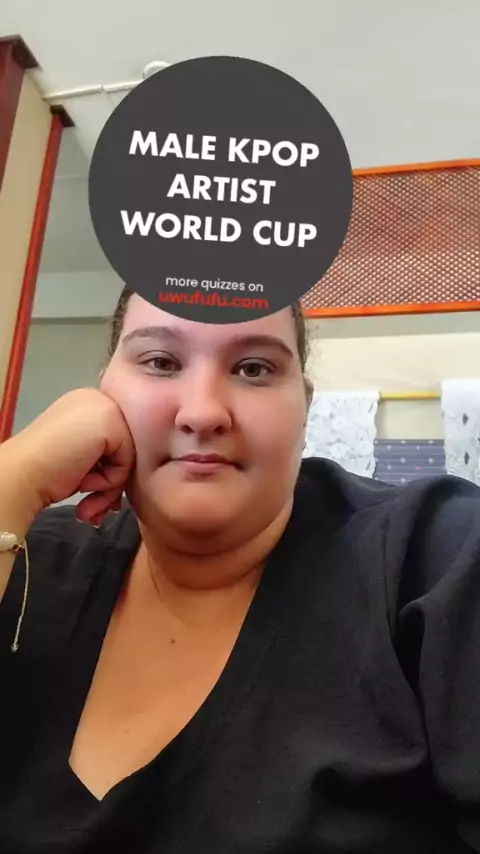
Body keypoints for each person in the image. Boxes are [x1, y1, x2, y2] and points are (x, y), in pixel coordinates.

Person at [0, 287, 480, 854]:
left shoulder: (435, 556)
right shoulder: (26, 554)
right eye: (161, 362)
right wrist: (17, 474)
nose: (203, 412)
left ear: (305, 406)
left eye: (253, 369)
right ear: (102, 391)